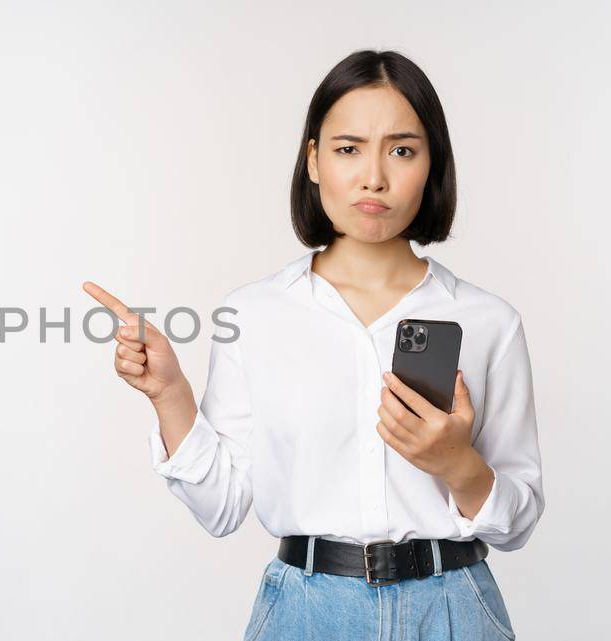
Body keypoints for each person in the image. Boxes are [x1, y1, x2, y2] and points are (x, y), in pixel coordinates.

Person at [82, 50, 543, 641]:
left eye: (402, 150)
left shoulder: (487, 321)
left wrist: (456, 464)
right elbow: (222, 507)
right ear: (314, 160)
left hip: (452, 608)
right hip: (305, 612)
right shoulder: (254, 314)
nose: (373, 176)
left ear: (432, 164)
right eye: (348, 148)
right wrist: (170, 394)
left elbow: (518, 521)